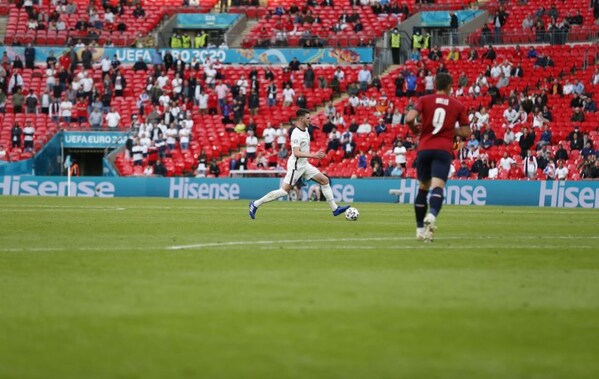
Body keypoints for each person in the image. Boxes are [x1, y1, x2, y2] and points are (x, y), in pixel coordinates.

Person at [249, 109, 350, 219]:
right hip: (296, 166)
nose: (309, 120)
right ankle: (255, 204)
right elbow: (296, 153)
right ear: (301, 119)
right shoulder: (296, 134)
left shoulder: (306, 130)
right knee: (284, 191)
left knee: (325, 180)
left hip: (304, 164)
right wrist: (314, 155)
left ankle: (335, 209)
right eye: (307, 118)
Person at [405, 73, 470, 242]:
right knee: (438, 187)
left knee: (422, 188)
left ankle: (419, 230)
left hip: (425, 148)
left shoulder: (425, 100)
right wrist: (449, 130)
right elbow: (466, 132)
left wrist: (415, 129)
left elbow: (409, 118)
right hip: (443, 150)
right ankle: (432, 215)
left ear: (435, 85)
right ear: (449, 86)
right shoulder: (457, 104)